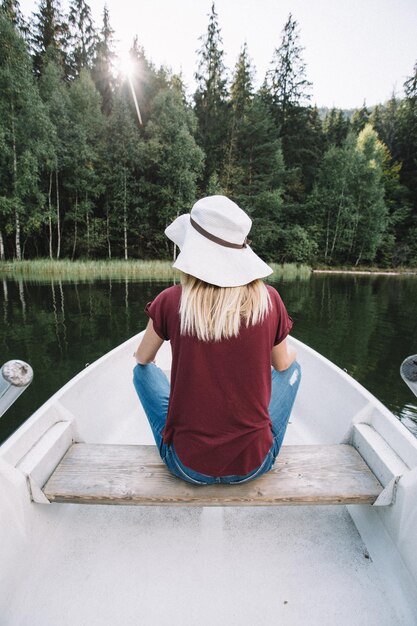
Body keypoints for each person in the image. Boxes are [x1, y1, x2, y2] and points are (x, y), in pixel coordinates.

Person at [133, 195, 301, 485]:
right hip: (254, 464)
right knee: (294, 370)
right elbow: (283, 365)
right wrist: (292, 353)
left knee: (142, 373)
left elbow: (142, 358)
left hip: (186, 465)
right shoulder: (269, 301)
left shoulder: (171, 301)